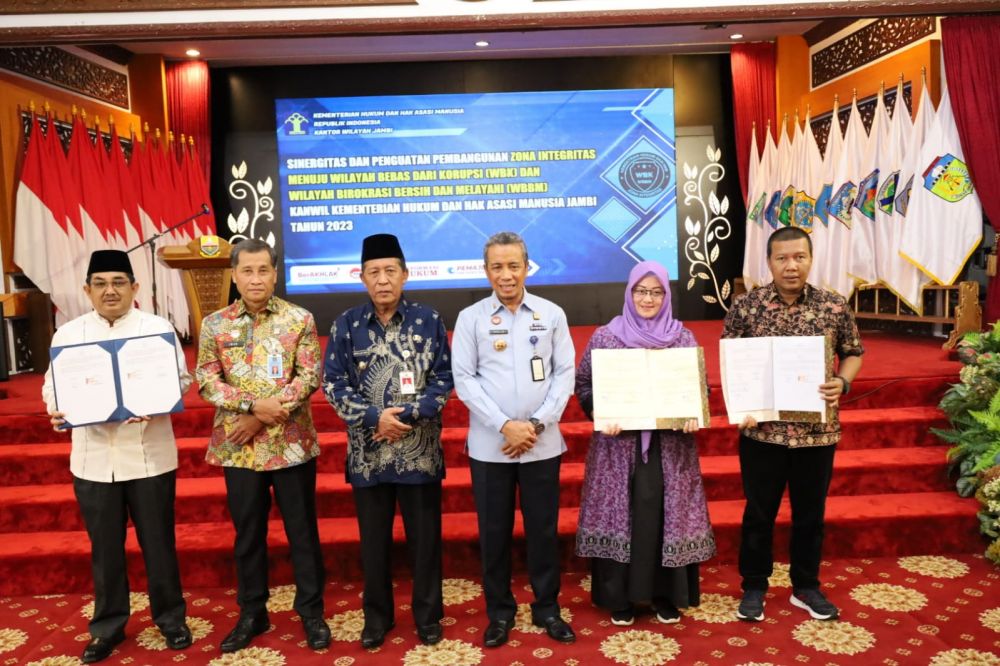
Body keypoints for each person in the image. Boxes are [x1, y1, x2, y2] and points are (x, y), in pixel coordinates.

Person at [42, 250, 192, 664]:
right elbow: (52, 386)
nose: (110, 291)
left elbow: (180, 379)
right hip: (93, 460)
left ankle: (171, 619)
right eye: (101, 283)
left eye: (119, 282)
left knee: (158, 543)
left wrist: (157, 401)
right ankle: (107, 627)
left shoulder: (156, 329)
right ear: (87, 290)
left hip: (149, 456)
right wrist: (57, 408)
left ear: (134, 287)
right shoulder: (67, 334)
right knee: (105, 549)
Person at [722, 226, 863, 623]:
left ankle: (806, 585)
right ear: (769, 262)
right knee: (759, 513)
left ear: (810, 259)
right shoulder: (747, 307)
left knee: (810, 514)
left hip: (817, 434)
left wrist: (843, 381)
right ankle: (754, 585)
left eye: (799, 257)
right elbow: (732, 361)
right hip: (762, 432)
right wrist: (741, 402)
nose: (791, 266)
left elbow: (853, 351)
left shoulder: (833, 305)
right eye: (782, 258)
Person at [196, 238, 330, 652]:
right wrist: (251, 407)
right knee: (248, 535)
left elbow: (308, 377)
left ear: (275, 274)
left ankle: (312, 613)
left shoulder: (299, 319)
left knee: (302, 533)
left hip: (291, 444)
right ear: (234, 276)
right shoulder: (215, 324)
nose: (255, 279)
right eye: (247, 271)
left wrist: (262, 415)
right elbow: (206, 379)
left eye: (263, 271)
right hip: (239, 448)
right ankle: (252, 613)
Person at [323, 233, 453, 649]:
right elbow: (333, 383)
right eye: (374, 272)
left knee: (425, 543)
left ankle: (428, 616)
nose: (383, 280)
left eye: (390, 271)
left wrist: (409, 416)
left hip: (420, 453)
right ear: (362, 277)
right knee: (374, 545)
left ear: (405, 275)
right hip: (369, 455)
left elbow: (444, 377)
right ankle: (376, 618)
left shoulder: (429, 320)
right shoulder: (346, 325)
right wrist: (374, 417)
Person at [452, 231, 576, 648]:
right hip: (491, 446)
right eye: (497, 267)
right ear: (486, 270)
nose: (506, 275)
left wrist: (536, 425)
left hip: (542, 443)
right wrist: (505, 425)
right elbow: (464, 380)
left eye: (513, 266)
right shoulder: (470, 318)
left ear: (527, 267)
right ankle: (500, 612)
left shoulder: (551, 314)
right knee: (494, 534)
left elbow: (564, 374)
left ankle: (547, 608)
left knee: (543, 530)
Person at [574, 260, 716, 626]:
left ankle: (665, 596)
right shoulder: (606, 337)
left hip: (670, 448)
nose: (648, 299)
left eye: (656, 292)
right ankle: (620, 598)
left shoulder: (682, 338)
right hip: (618, 448)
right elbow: (584, 383)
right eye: (641, 291)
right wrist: (600, 411)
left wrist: (693, 413)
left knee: (662, 515)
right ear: (629, 292)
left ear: (666, 296)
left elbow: (699, 388)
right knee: (623, 515)